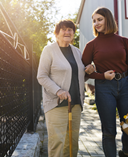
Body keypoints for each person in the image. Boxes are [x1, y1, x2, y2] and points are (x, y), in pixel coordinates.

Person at [82, 7, 128, 157]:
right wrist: (101, 76)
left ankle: (126, 153)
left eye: (99, 19)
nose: (96, 23)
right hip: (104, 89)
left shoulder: (124, 41)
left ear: (108, 19)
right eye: (94, 21)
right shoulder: (91, 45)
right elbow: (83, 71)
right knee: (109, 131)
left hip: (126, 86)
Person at [37, 19, 94, 157]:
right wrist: (58, 90)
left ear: (73, 33)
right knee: (58, 144)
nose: (67, 32)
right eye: (63, 29)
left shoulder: (77, 52)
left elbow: (78, 76)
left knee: (72, 144)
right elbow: (42, 76)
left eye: (70, 29)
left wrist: (89, 70)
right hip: (57, 104)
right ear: (57, 33)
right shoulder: (49, 50)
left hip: (75, 104)